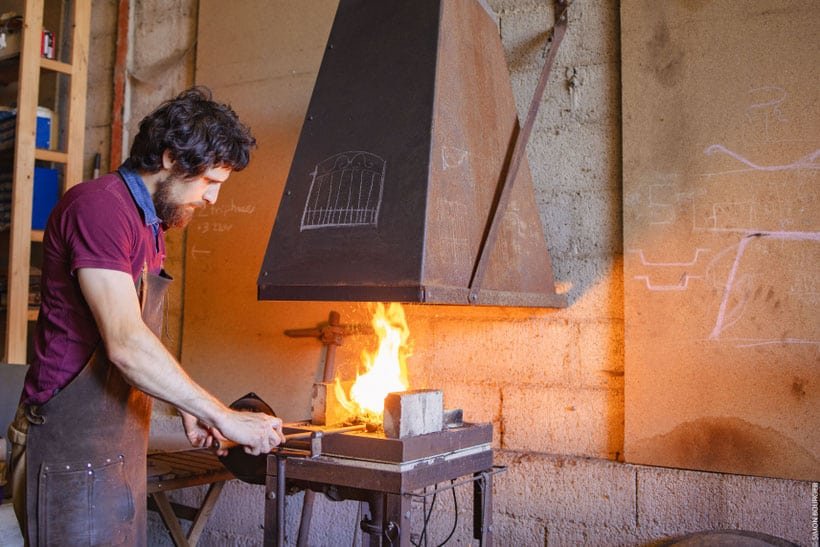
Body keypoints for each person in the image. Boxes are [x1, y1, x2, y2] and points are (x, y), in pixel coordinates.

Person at [6, 86, 285, 546]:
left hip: (116, 441)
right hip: (68, 446)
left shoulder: (149, 223)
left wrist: (185, 407)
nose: (213, 199)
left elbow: (141, 341)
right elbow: (124, 340)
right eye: (210, 183)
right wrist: (221, 414)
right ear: (173, 158)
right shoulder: (99, 208)